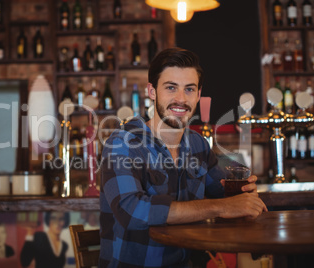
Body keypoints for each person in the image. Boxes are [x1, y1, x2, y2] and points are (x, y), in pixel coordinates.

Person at [99, 47, 268, 267]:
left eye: (189, 89)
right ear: (152, 91)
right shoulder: (122, 143)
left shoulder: (197, 143)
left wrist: (243, 194)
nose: (181, 99)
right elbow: (131, 211)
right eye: (171, 88)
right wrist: (222, 207)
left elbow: (223, 190)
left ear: (198, 95)